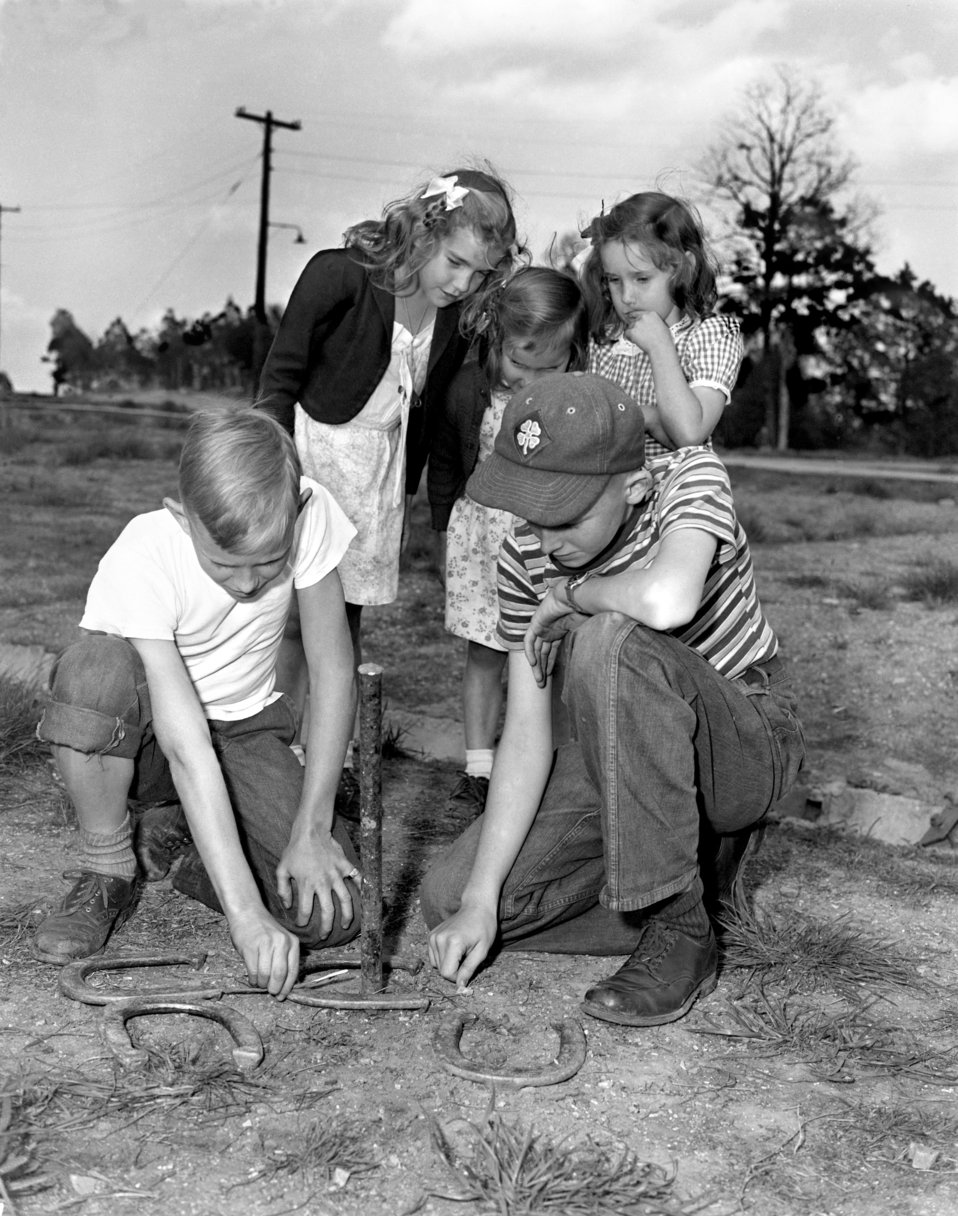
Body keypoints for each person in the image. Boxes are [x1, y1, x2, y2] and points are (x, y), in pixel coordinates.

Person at [422, 372, 805, 1026]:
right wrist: (482, 900)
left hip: (744, 746)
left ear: (630, 487)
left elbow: (668, 600)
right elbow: (526, 732)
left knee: (611, 641)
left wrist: (573, 595)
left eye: (565, 516)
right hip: (631, 757)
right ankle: (701, 888)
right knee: (449, 895)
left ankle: (678, 926)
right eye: (530, 514)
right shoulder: (524, 555)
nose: (545, 542)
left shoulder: (689, 477)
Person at [34, 411, 360, 1000]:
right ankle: (108, 865)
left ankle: (185, 846)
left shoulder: (310, 517)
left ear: (299, 513)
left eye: (268, 562)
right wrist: (245, 917)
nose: (246, 584)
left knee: (332, 916)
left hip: (247, 729)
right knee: (92, 670)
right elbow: (187, 748)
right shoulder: (143, 553)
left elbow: (334, 670)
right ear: (182, 519)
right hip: (159, 739)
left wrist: (313, 826)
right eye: (225, 564)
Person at [254, 167, 520, 795]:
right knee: (289, 618)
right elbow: (278, 381)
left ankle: (331, 755)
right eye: (455, 263)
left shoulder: (454, 321)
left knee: (343, 625)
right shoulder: (337, 274)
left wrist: (408, 496)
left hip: (378, 474)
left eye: (479, 275)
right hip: (312, 463)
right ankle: (271, 745)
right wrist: (272, 475)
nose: (462, 284)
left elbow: (422, 417)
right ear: (425, 228)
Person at [428, 267, 588, 819]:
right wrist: (440, 522)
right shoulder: (467, 389)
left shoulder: (576, 401)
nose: (532, 380)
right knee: (485, 653)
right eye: (521, 363)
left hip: (545, 542)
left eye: (551, 366)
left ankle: (556, 767)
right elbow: (447, 457)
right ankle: (479, 768)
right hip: (480, 538)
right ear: (496, 343)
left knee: (552, 653)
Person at [581, 191, 744, 464]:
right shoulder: (602, 343)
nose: (627, 296)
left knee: (707, 471)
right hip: (612, 491)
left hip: (676, 494)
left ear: (685, 268)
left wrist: (659, 347)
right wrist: (650, 417)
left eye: (642, 279)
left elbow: (689, 433)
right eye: (614, 280)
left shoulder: (711, 335)